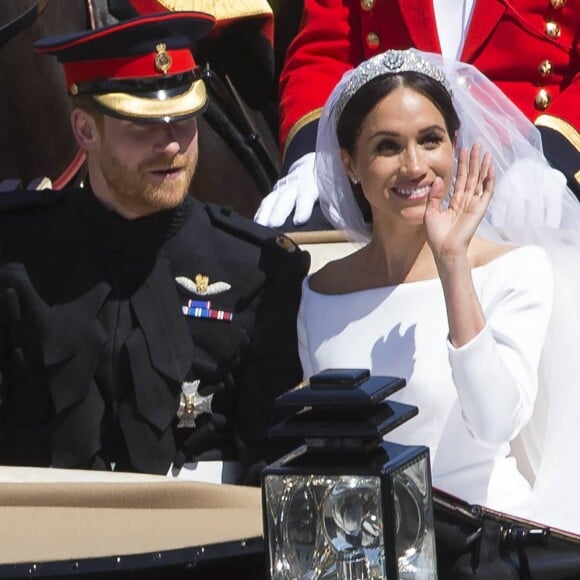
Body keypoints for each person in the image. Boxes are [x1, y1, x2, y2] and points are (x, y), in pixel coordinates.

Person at [0, 11, 310, 484]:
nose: (171, 146)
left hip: (200, 545)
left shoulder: (258, 268)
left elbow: (272, 467)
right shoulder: (15, 252)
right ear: (85, 130)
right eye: (142, 125)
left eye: (183, 120)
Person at [298, 48, 580, 533]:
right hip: (371, 548)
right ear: (349, 162)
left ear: (454, 145)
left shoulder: (514, 270)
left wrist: (453, 265)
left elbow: (493, 423)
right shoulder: (319, 292)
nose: (414, 165)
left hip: (483, 545)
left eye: (430, 141)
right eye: (387, 146)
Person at [255, 0, 580, 228]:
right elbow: (325, 51)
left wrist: (553, 158)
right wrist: (313, 153)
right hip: (390, 189)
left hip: (526, 181)